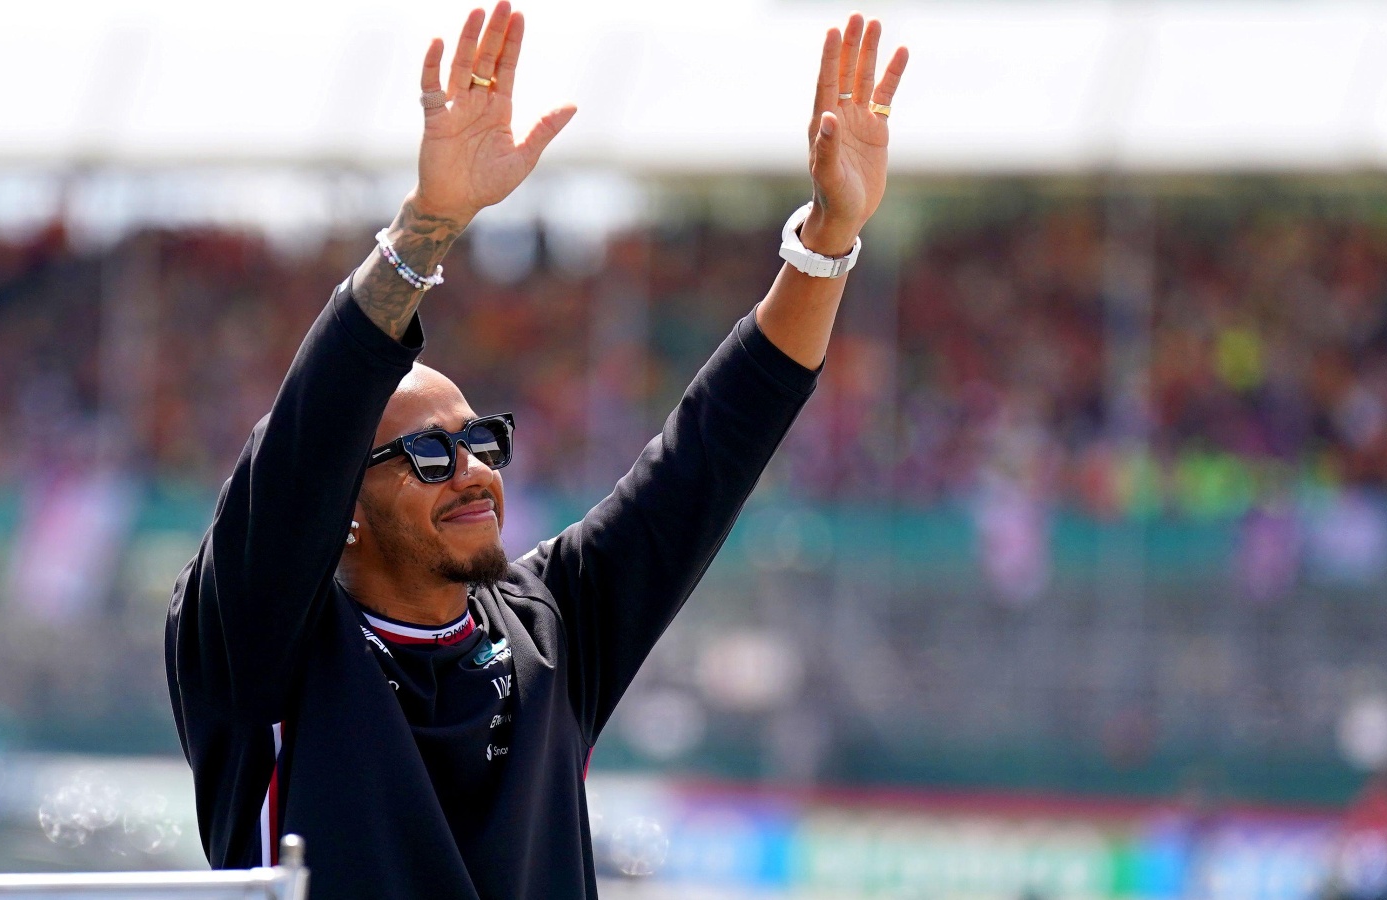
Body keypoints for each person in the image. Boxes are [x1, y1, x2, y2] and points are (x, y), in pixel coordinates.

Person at [164, 3, 908, 897]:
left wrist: (827, 240)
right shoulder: (259, 647)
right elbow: (301, 441)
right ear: (342, 512)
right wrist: (428, 224)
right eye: (429, 456)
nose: (475, 469)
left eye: (480, 441)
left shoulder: (552, 626)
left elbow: (713, 449)